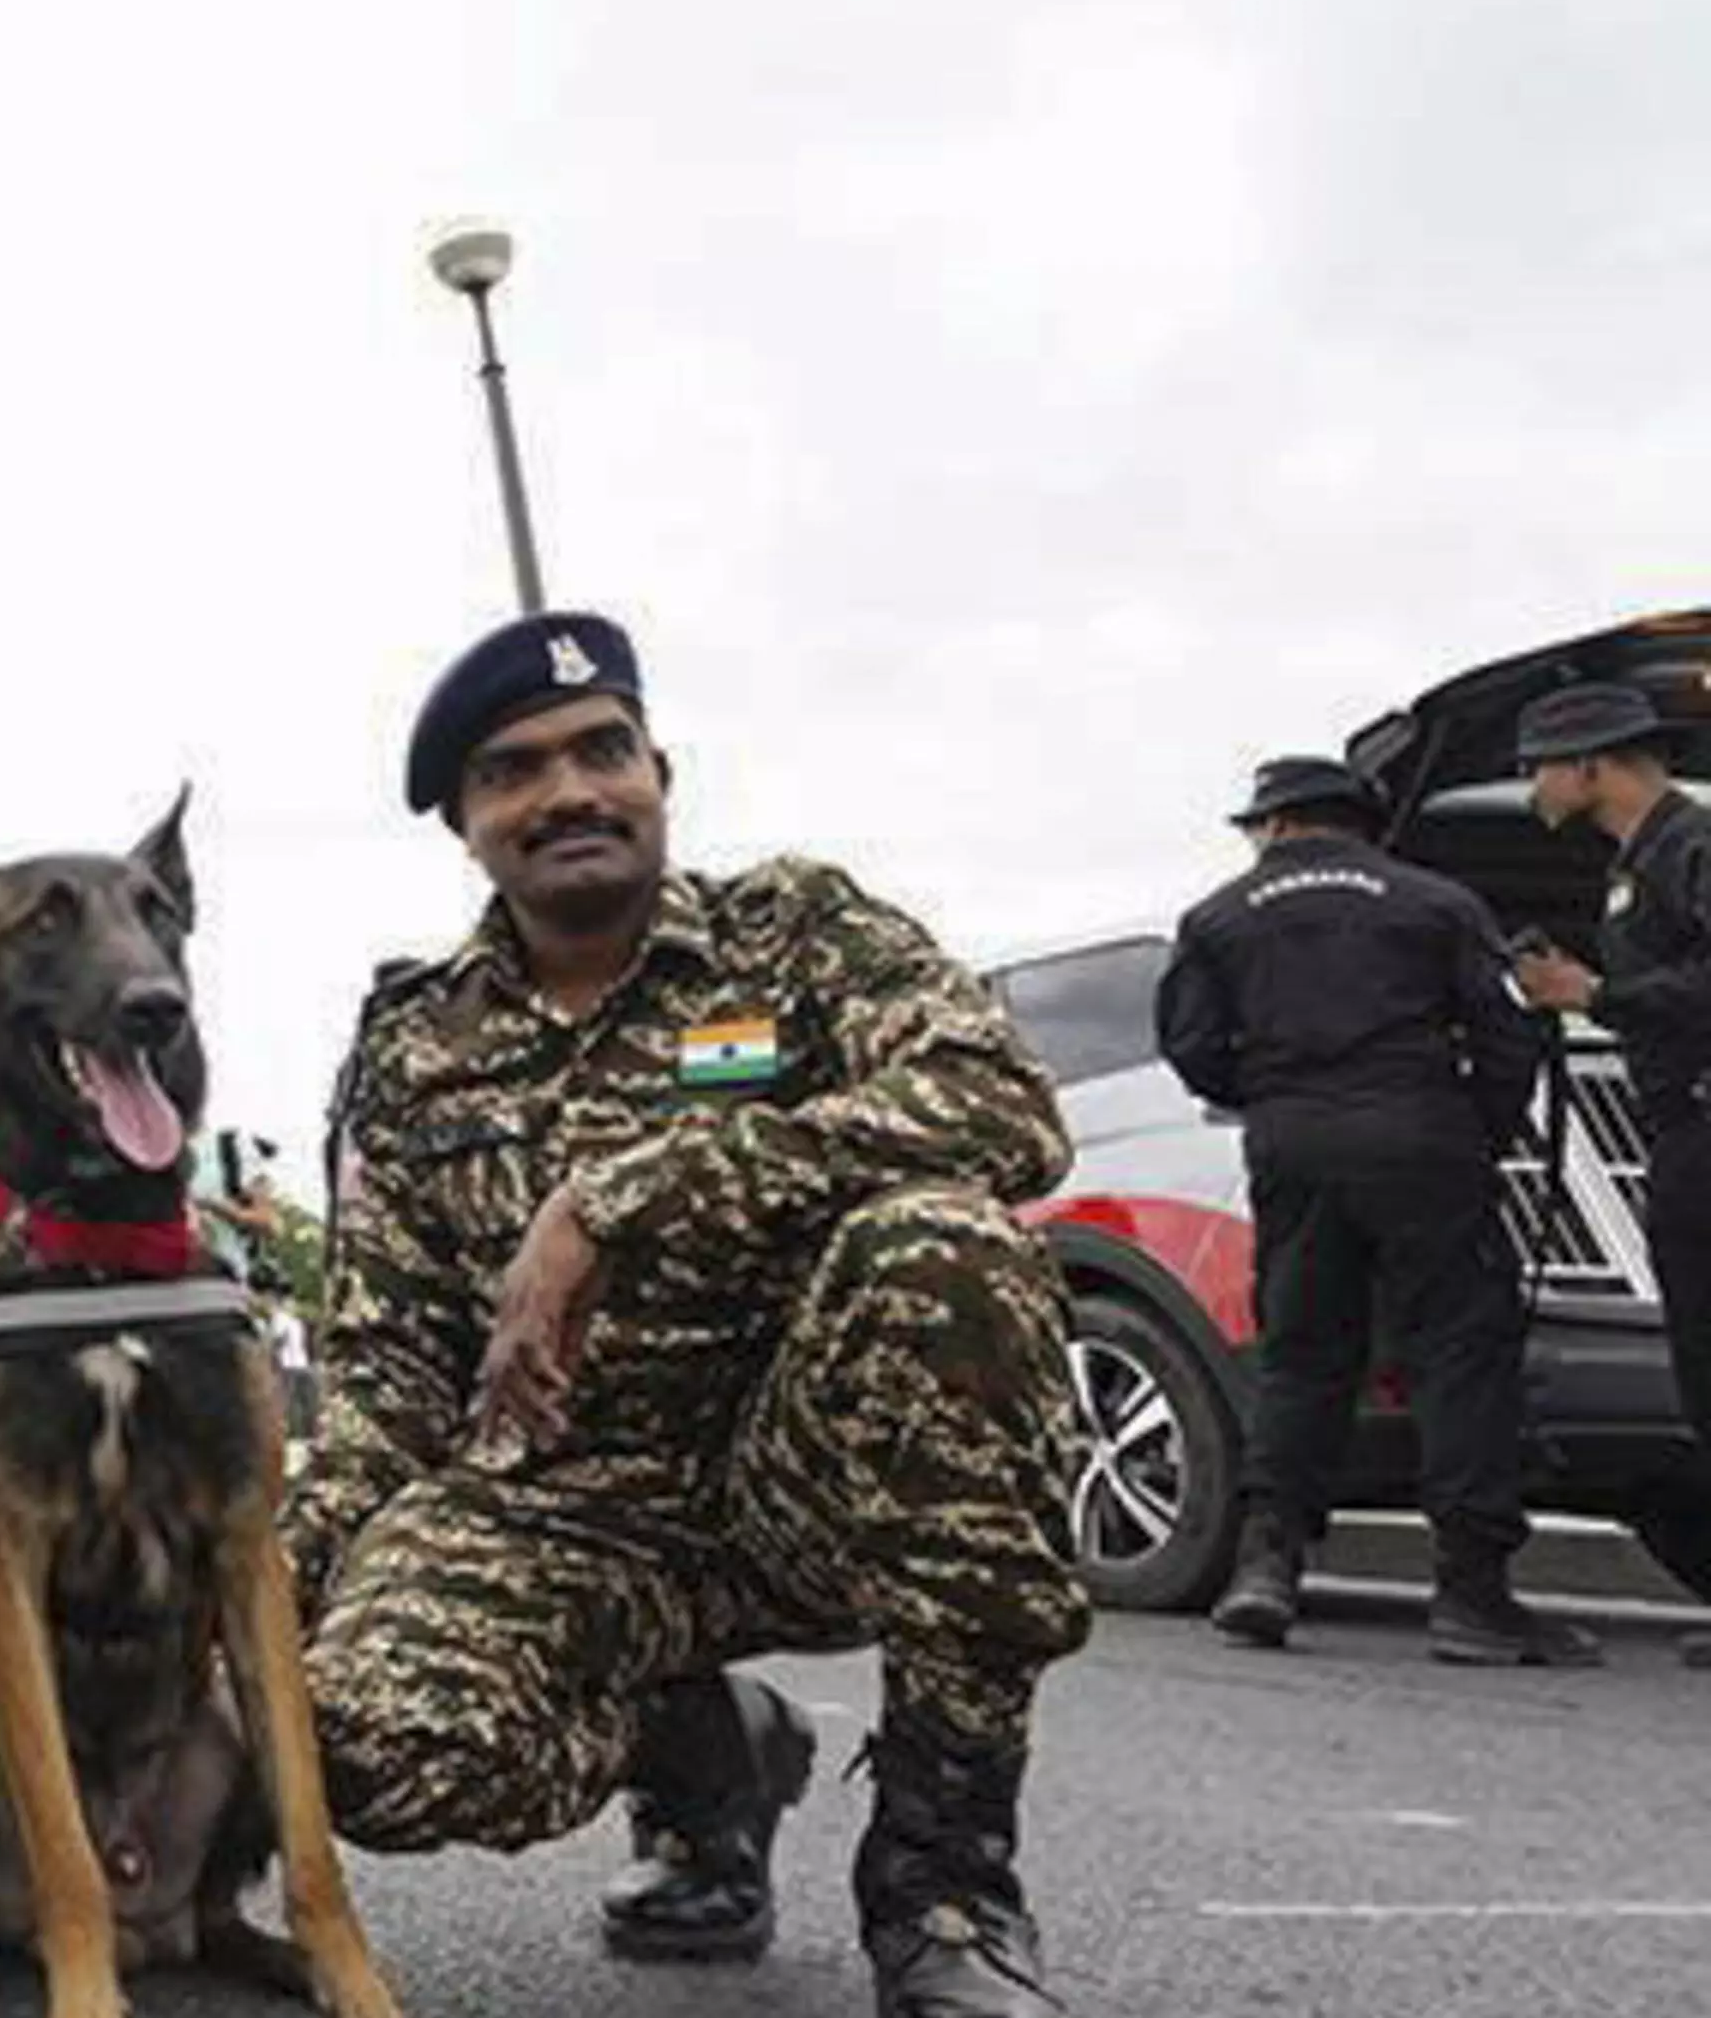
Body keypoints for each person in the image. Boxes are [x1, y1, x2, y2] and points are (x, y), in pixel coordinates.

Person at [300, 613, 1083, 2018]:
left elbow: (1005, 1110)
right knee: (360, 1743)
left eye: (604, 751)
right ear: (464, 824)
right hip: (565, 1516)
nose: (569, 793)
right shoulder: (417, 1046)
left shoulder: (797, 935)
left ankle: (946, 1884)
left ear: (660, 768)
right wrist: (226, 1591)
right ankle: (701, 1754)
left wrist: (628, 1193)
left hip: (817, 1479)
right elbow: (386, 1368)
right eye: (515, 771)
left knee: (945, 1247)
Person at [1156, 752, 1589, 1663]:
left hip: (1292, 1144)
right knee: (1461, 1358)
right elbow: (1509, 1030)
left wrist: (1276, 1097)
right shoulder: (1438, 901)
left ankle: (1267, 1568)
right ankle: (1472, 1595)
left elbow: (1191, 1045)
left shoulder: (1217, 917)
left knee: (1302, 1353)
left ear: (1272, 825)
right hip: (1423, 1139)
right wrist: (1478, 1129)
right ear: (1363, 821)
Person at [1503, 679, 1711, 1668]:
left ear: (1592, 766)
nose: (1531, 784)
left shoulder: (1688, 845)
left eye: (1540, 763)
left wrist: (1596, 991)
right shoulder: (1645, 860)